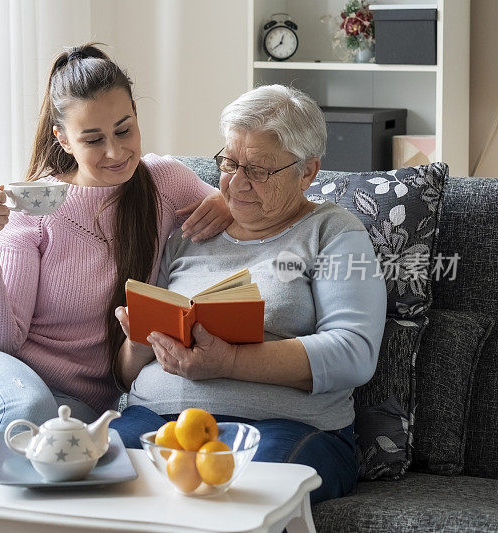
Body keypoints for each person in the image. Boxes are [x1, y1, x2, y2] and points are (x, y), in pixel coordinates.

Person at [0, 44, 232, 452]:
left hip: (74, 404)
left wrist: (228, 200)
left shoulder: (165, 182)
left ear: (136, 114)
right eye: (93, 140)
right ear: (63, 140)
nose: (115, 152)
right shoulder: (34, 208)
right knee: (27, 413)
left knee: (65, 436)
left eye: (124, 130)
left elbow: (255, 216)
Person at [111, 84, 387, 504]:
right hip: (156, 420)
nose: (236, 183)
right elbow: (128, 374)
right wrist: (139, 343)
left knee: (243, 494)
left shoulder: (334, 233)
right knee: (96, 474)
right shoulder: (190, 234)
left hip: (285, 426)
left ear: (308, 172)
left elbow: (354, 352)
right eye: (228, 162)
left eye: (258, 170)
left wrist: (231, 361)